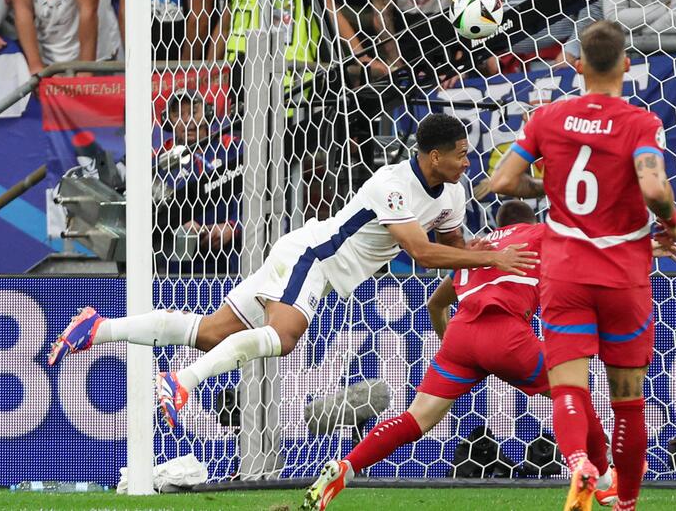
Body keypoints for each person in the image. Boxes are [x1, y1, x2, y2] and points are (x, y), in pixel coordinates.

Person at [48, 114, 539, 428]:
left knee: (209, 333)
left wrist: (471, 288)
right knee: (284, 338)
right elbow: (425, 254)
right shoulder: (393, 184)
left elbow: (456, 252)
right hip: (314, 257)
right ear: (435, 156)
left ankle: (99, 327)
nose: (467, 160)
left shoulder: (452, 196)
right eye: (460, 153)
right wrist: (493, 258)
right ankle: (182, 384)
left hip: (302, 255)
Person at [301, 200, 676, 511]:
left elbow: (436, 305)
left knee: (415, 419)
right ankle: (600, 478)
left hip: (462, 338)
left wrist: (459, 347)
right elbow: (592, 248)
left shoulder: (474, 249)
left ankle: (346, 467)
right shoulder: (537, 234)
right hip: (507, 333)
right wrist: (646, 246)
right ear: (529, 220)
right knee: (574, 393)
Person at [489, 20, 676, 511]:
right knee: (627, 399)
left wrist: (547, 188)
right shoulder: (640, 123)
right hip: (622, 279)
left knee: (568, 388)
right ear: (626, 64)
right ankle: (627, 502)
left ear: (577, 66)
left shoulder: (547, 119)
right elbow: (655, 189)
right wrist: (670, 221)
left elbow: (503, 181)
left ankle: (579, 464)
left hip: (566, 276)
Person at [153, 90, 243, 275]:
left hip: (231, 249)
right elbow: (153, 200)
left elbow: (253, 192)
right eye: (178, 114)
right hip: (181, 255)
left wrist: (233, 226)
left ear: (208, 112)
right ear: (167, 120)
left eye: (193, 111)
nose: (187, 120)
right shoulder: (161, 158)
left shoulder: (231, 146)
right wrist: (178, 222)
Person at [9, 0, 121, 74]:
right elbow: (22, 9)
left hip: (95, 56)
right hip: (48, 55)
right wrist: (35, 64)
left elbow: (88, 10)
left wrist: (86, 70)